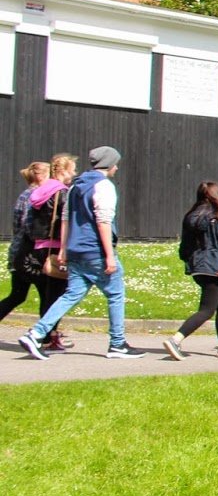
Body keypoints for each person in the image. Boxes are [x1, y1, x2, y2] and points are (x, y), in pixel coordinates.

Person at [19, 146, 142, 360]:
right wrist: (109, 255)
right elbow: (103, 221)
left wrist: (64, 250)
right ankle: (117, 344)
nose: (117, 167)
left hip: (75, 250)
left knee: (71, 295)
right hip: (95, 249)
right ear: (109, 164)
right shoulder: (103, 186)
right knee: (115, 294)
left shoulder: (76, 186)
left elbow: (66, 218)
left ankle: (36, 333)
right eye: (115, 163)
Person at [164, 182, 218, 360]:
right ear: (216, 195)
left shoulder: (191, 216)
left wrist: (191, 260)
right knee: (207, 310)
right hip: (213, 267)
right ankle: (176, 340)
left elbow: (184, 248)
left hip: (197, 266)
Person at [23, 154, 79, 351]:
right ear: (63, 171)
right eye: (72, 170)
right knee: (57, 296)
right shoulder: (62, 193)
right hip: (55, 248)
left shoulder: (40, 191)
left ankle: (49, 335)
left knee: (47, 294)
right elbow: (66, 221)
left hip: (38, 247)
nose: (74, 174)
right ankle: (44, 336)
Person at [0, 161, 48, 325]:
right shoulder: (36, 196)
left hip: (18, 252)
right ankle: (47, 333)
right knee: (46, 294)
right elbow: (29, 226)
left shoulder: (24, 194)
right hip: (30, 255)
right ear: (41, 177)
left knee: (18, 295)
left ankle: (48, 332)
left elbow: (17, 226)